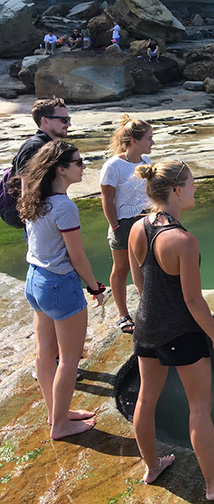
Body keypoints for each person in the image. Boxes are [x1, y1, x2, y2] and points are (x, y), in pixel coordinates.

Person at [128, 161, 214, 499]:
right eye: (192, 184)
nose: (196, 189)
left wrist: (152, 314)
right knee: (200, 407)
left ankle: (152, 466)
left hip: (146, 327)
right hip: (181, 333)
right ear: (177, 190)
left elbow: (139, 281)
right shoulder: (184, 240)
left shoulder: (138, 228)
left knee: (146, 398)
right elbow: (194, 301)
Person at [18, 141, 106, 439]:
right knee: (69, 359)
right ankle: (60, 425)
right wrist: (95, 287)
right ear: (61, 169)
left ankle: (57, 412)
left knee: (45, 355)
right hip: (59, 284)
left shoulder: (35, 197)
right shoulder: (65, 206)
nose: (84, 167)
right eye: (78, 163)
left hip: (35, 280)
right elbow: (77, 257)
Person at [99, 115, 154, 334]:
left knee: (146, 266)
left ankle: (148, 309)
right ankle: (123, 314)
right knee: (121, 269)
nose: (153, 143)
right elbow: (106, 199)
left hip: (145, 223)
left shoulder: (146, 162)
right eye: (149, 138)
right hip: (123, 224)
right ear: (134, 141)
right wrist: (115, 226)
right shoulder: (114, 166)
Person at [1, 97, 71, 228]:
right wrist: (32, 222)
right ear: (45, 120)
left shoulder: (47, 145)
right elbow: (26, 185)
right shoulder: (34, 147)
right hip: (37, 219)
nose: (68, 124)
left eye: (68, 119)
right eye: (64, 120)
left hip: (44, 215)